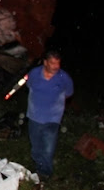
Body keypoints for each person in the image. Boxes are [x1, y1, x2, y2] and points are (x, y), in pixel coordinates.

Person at [26, 49, 74, 182]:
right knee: (36, 147)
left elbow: (69, 93)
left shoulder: (64, 77)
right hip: (34, 116)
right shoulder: (34, 73)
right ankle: (38, 167)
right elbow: (29, 85)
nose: (56, 66)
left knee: (48, 148)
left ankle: (45, 173)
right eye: (53, 63)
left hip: (53, 118)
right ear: (45, 62)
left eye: (58, 63)